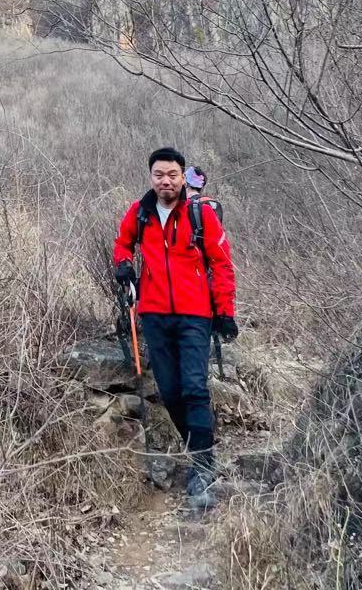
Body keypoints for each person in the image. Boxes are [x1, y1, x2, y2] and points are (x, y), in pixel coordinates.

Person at [113, 147, 238, 511]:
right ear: (150, 177)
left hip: (195, 314)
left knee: (195, 387)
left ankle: (202, 464)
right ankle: (201, 448)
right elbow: (122, 245)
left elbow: (223, 263)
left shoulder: (201, 214)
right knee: (169, 391)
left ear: (183, 176)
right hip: (154, 314)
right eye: (158, 175)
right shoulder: (140, 213)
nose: (165, 181)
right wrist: (123, 265)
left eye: (172, 174)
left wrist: (225, 312)